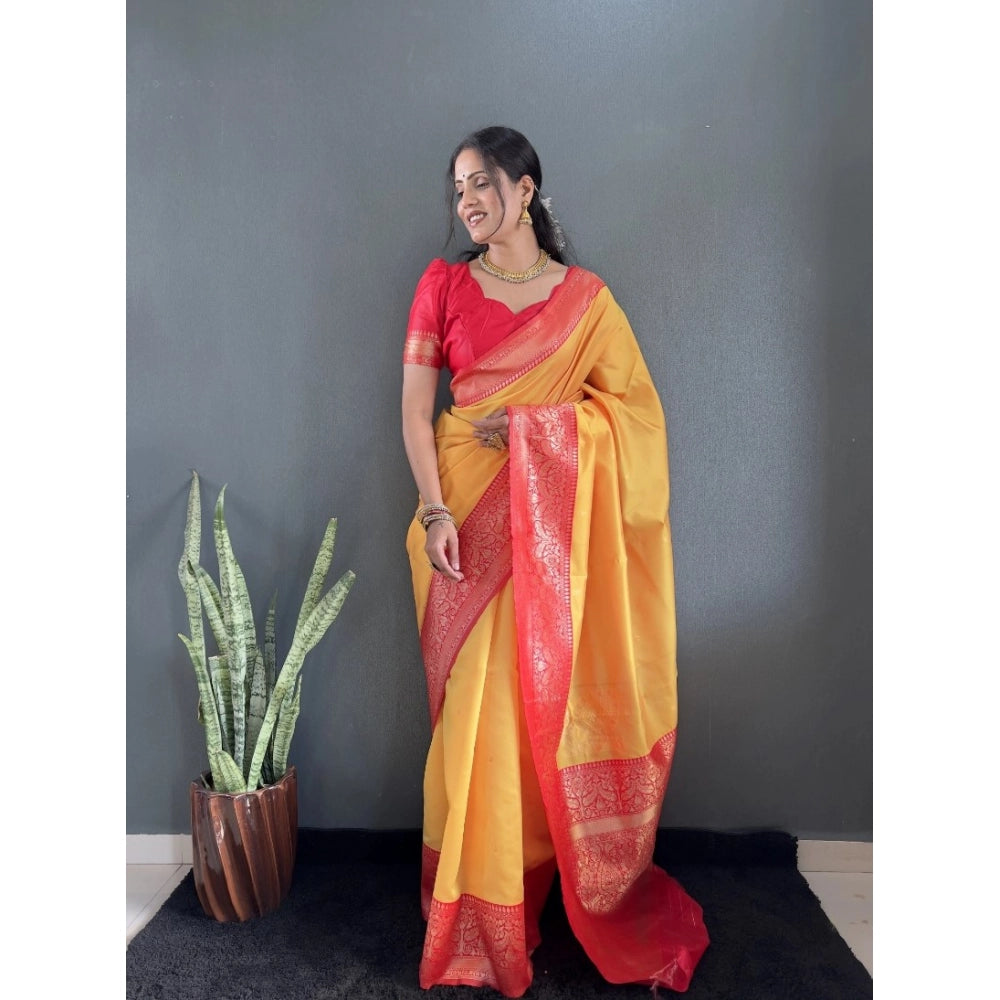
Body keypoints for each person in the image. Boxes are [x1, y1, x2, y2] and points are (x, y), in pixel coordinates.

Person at [401, 125, 709, 997]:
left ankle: (519, 898)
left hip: (547, 540)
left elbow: (637, 423)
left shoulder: (587, 302)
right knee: (473, 717)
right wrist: (434, 511)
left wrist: (540, 431)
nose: (466, 199)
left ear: (526, 189)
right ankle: (473, 914)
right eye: (458, 186)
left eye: (482, 182)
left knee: (523, 712)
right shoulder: (442, 285)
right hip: (460, 520)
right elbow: (416, 413)